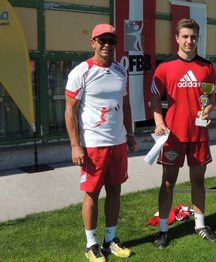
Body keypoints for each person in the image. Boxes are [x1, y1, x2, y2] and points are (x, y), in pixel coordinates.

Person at [65, 23, 138, 261]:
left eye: (111, 40)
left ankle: (110, 239)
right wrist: (75, 145)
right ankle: (91, 244)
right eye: (102, 40)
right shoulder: (81, 72)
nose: (107, 44)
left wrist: (130, 134)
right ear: (93, 42)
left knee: (115, 190)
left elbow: (125, 105)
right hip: (92, 145)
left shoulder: (120, 70)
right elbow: (70, 111)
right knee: (92, 194)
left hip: (117, 143)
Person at [150, 18, 216, 248]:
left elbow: (211, 97)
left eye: (194, 37)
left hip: (198, 135)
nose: (190, 41)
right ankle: (163, 230)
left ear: (198, 39)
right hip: (173, 137)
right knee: (168, 182)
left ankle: (199, 225)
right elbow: (155, 99)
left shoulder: (207, 67)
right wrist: (159, 122)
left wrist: (206, 112)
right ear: (177, 38)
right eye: (185, 36)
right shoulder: (164, 67)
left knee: (198, 180)